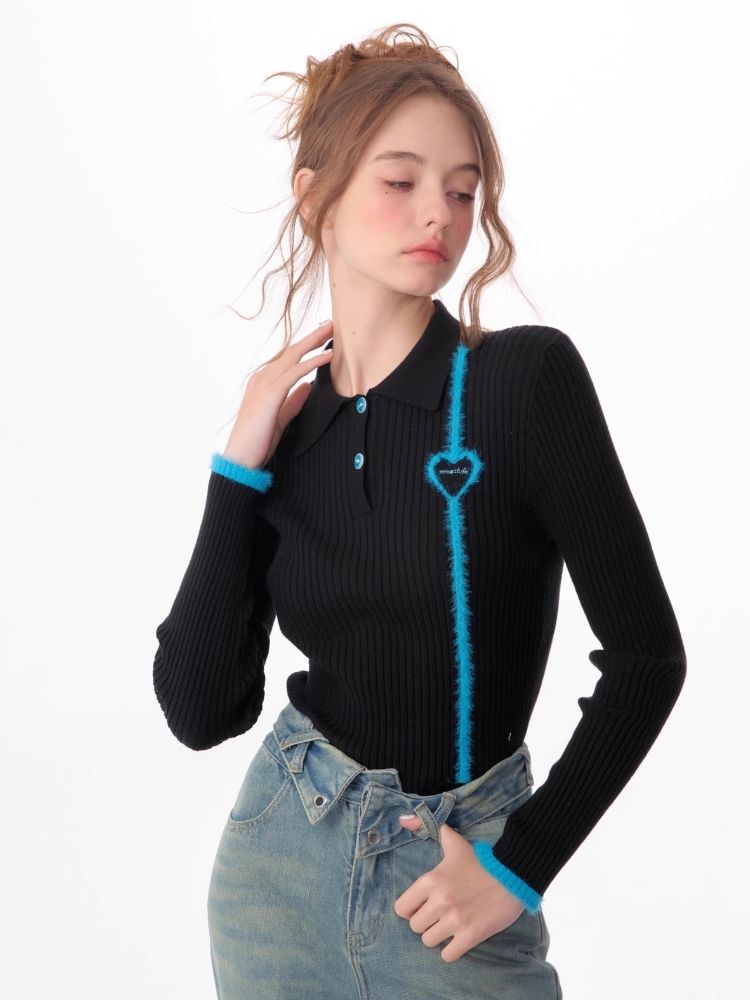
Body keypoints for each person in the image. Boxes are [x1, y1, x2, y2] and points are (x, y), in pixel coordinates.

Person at [152, 23, 686, 1000]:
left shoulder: (522, 384)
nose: (438, 212)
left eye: (463, 189)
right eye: (400, 180)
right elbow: (199, 709)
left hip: (454, 886)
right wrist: (237, 469)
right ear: (315, 196)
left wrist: (519, 864)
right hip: (277, 878)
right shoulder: (290, 435)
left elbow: (648, 659)